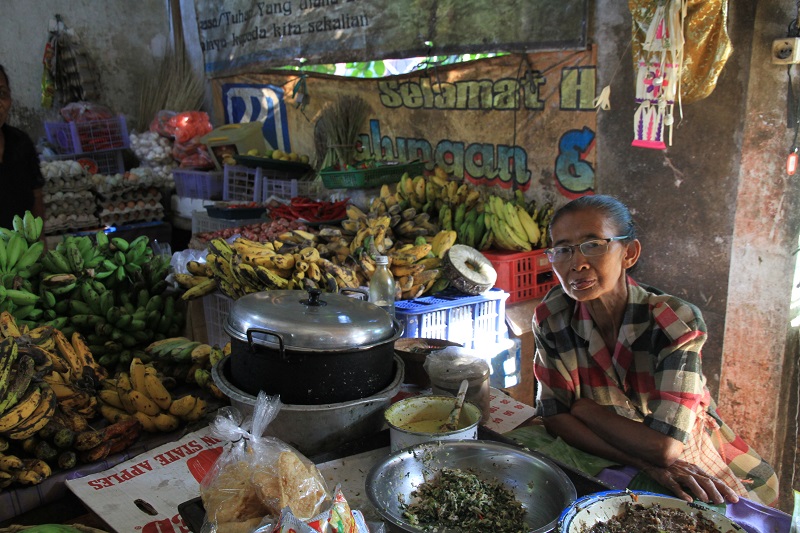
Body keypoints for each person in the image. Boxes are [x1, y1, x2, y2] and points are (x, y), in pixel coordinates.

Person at [532, 194, 778, 506]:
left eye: (593, 245)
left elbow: (666, 448)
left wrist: (585, 410)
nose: (576, 263)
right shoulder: (553, 317)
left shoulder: (674, 323)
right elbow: (555, 417)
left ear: (629, 254)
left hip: (691, 451)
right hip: (609, 449)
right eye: (563, 250)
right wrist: (645, 462)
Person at [0, 63, 45, 231]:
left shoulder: (21, 143)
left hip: (23, 252)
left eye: (1, 93)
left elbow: (36, 197)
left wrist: (39, 243)